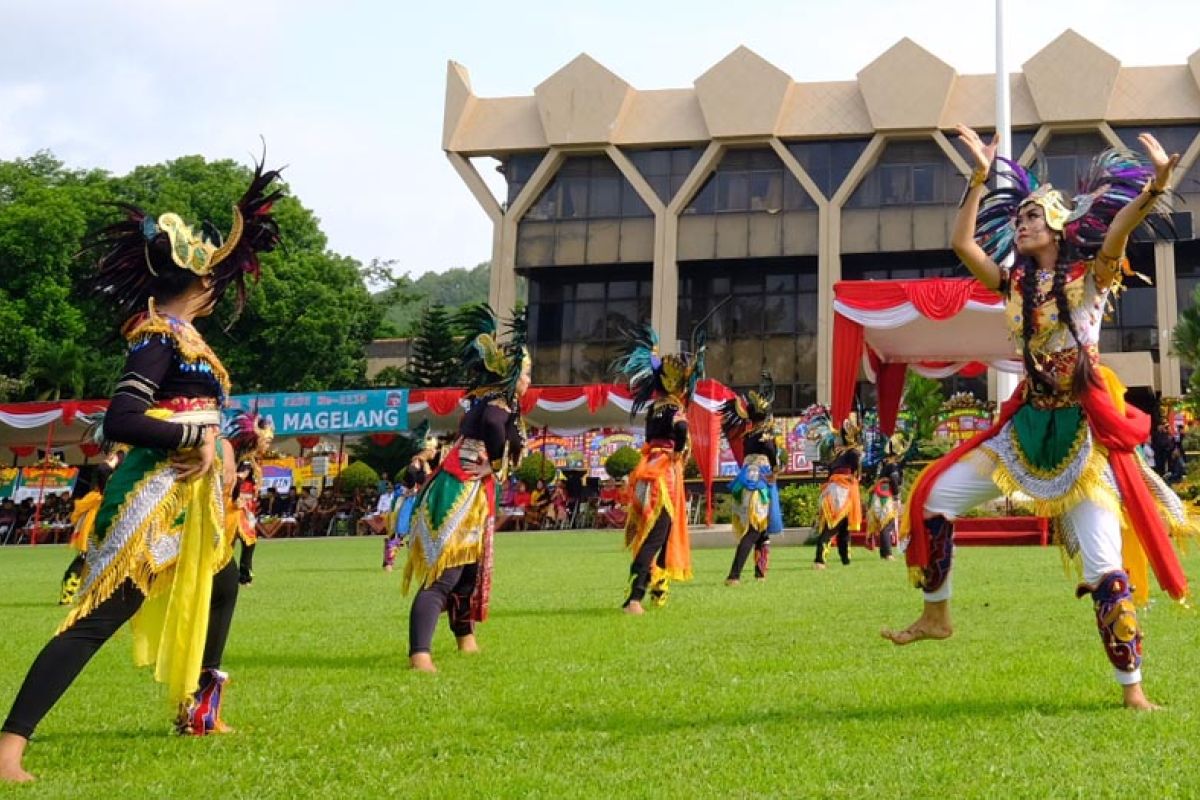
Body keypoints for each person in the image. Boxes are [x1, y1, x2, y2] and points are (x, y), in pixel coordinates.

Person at [881, 125, 1191, 711]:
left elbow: (1120, 229)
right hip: (1026, 429)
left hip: (1082, 435)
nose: (1019, 225)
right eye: (1017, 216)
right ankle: (937, 615)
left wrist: (1153, 189)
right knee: (934, 495)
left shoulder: (1091, 278)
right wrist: (978, 177)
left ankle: (1134, 691)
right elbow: (963, 245)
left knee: (1104, 566)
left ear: (1056, 227)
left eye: (1030, 218)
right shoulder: (1013, 282)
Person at [0, 159, 282, 782]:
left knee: (225, 582)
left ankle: (198, 710)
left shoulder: (188, 340)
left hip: (194, 496)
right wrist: (194, 435)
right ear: (204, 281)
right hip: (154, 494)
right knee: (99, 616)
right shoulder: (157, 337)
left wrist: (223, 445)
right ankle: (8, 746)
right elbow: (123, 418)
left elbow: (194, 411)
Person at [403, 305, 529, 672]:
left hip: (469, 490)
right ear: (508, 376)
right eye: (525, 374)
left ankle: (465, 639)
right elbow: (495, 432)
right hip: (460, 491)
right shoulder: (496, 408)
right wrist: (499, 460)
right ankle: (420, 653)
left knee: (468, 572)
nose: (528, 381)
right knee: (446, 574)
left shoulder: (493, 404)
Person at [612, 322, 707, 614]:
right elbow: (679, 431)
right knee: (656, 535)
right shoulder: (676, 410)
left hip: (646, 471)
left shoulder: (653, 409)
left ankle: (659, 589)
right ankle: (635, 597)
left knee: (659, 534)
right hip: (663, 476)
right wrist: (679, 450)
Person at [720, 372, 784, 584]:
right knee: (755, 530)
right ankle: (734, 574)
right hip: (761, 485)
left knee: (761, 530)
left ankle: (759, 574)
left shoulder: (747, 436)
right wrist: (776, 470)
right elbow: (775, 463)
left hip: (746, 482)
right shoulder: (767, 436)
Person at [59, 453, 121, 605]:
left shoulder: (94, 497)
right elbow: (103, 469)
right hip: (104, 520)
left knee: (86, 559)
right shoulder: (122, 454)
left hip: (98, 521)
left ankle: (70, 595)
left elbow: (103, 469)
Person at [224, 412, 275, 586]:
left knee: (241, 541)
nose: (269, 445)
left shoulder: (251, 460)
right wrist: (236, 497)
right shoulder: (246, 462)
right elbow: (237, 479)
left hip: (245, 507)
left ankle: (237, 574)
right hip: (238, 508)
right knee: (243, 540)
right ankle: (239, 575)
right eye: (267, 441)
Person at [813, 414, 864, 569]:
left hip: (833, 490)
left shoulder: (838, 455)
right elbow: (857, 473)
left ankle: (845, 560)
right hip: (843, 492)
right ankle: (819, 560)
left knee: (843, 526)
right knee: (833, 525)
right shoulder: (854, 453)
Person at [383, 433, 439, 571]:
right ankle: (389, 562)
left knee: (423, 531)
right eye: (434, 449)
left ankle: (421, 561)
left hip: (420, 500)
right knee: (401, 530)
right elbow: (410, 476)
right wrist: (412, 487)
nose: (435, 452)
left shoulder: (424, 464)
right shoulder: (415, 464)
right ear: (428, 449)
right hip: (409, 501)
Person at [864, 433, 908, 561]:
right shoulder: (893, 466)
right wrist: (896, 496)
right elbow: (894, 479)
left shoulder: (884, 465)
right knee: (887, 525)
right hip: (887, 497)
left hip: (878, 497)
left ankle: (884, 553)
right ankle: (888, 554)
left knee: (884, 525)